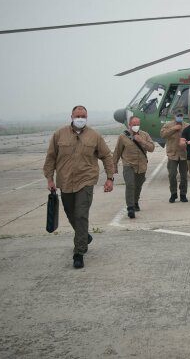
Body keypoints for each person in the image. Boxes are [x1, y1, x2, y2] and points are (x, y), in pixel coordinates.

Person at [43, 105, 115, 269]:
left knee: (81, 214)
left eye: (84, 116)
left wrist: (109, 178)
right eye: (78, 115)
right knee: (71, 214)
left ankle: (79, 252)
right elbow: (51, 157)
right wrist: (50, 179)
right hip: (65, 181)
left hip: (86, 180)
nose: (81, 118)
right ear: (72, 116)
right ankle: (84, 236)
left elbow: (106, 156)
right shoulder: (59, 134)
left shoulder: (94, 135)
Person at [113, 116, 155, 218]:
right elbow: (117, 151)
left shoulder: (145, 135)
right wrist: (114, 165)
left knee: (138, 185)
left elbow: (152, 148)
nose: (136, 126)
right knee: (130, 185)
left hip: (141, 165)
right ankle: (130, 207)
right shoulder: (123, 136)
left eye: (137, 124)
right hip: (129, 164)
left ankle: (135, 201)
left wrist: (141, 141)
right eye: (134, 124)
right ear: (129, 125)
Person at [160, 111, 190, 203]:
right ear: (174, 116)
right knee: (172, 175)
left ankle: (183, 194)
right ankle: (173, 193)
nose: (180, 117)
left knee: (184, 176)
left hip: (184, 155)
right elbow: (162, 134)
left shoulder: (187, 126)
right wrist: (173, 128)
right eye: (178, 115)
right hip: (172, 154)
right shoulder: (168, 125)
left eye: (181, 115)